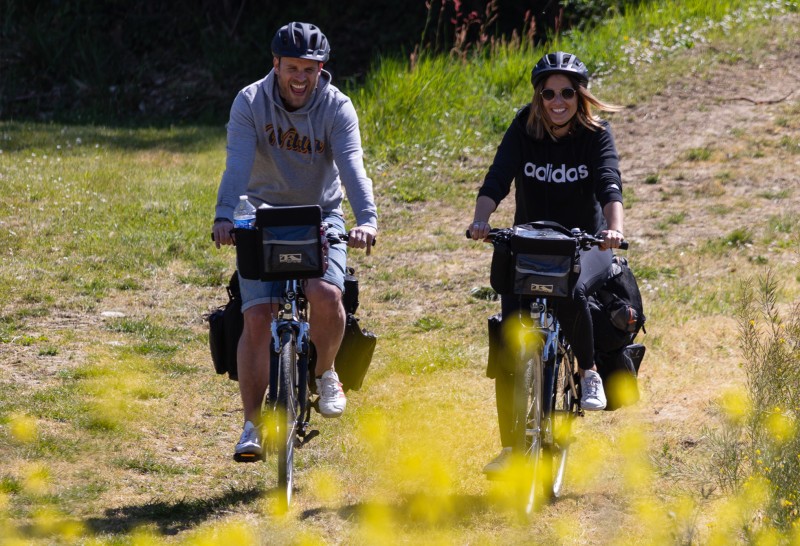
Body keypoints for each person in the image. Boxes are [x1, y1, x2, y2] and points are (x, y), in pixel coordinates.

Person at [212, 22, 378, 461]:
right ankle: (251, 425)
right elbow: (237, 165)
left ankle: (326, 373)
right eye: (292, 68)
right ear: (276, 65)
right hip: (259, 213)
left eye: (310, 68)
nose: (300, 77)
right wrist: (225, 216)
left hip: (320, 215)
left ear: (322, 68)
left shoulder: (337, 107)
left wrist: (367, 219)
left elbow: (352, 167)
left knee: (325, 293)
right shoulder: (250, 101)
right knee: (257, 316)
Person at [467, 51, 625, 475]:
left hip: (582, 242)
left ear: (581, 96)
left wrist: (613, 230)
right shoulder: (524, 127)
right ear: (539, 96)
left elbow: (610, 183)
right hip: (530, 241)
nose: (558, 101)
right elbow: (497, 177)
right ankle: (510, 449)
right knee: (508, 344)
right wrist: (482, 219)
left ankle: (589, 371)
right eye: (549, 92)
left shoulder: (596, 134)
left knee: (571, 292)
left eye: (568, 93)